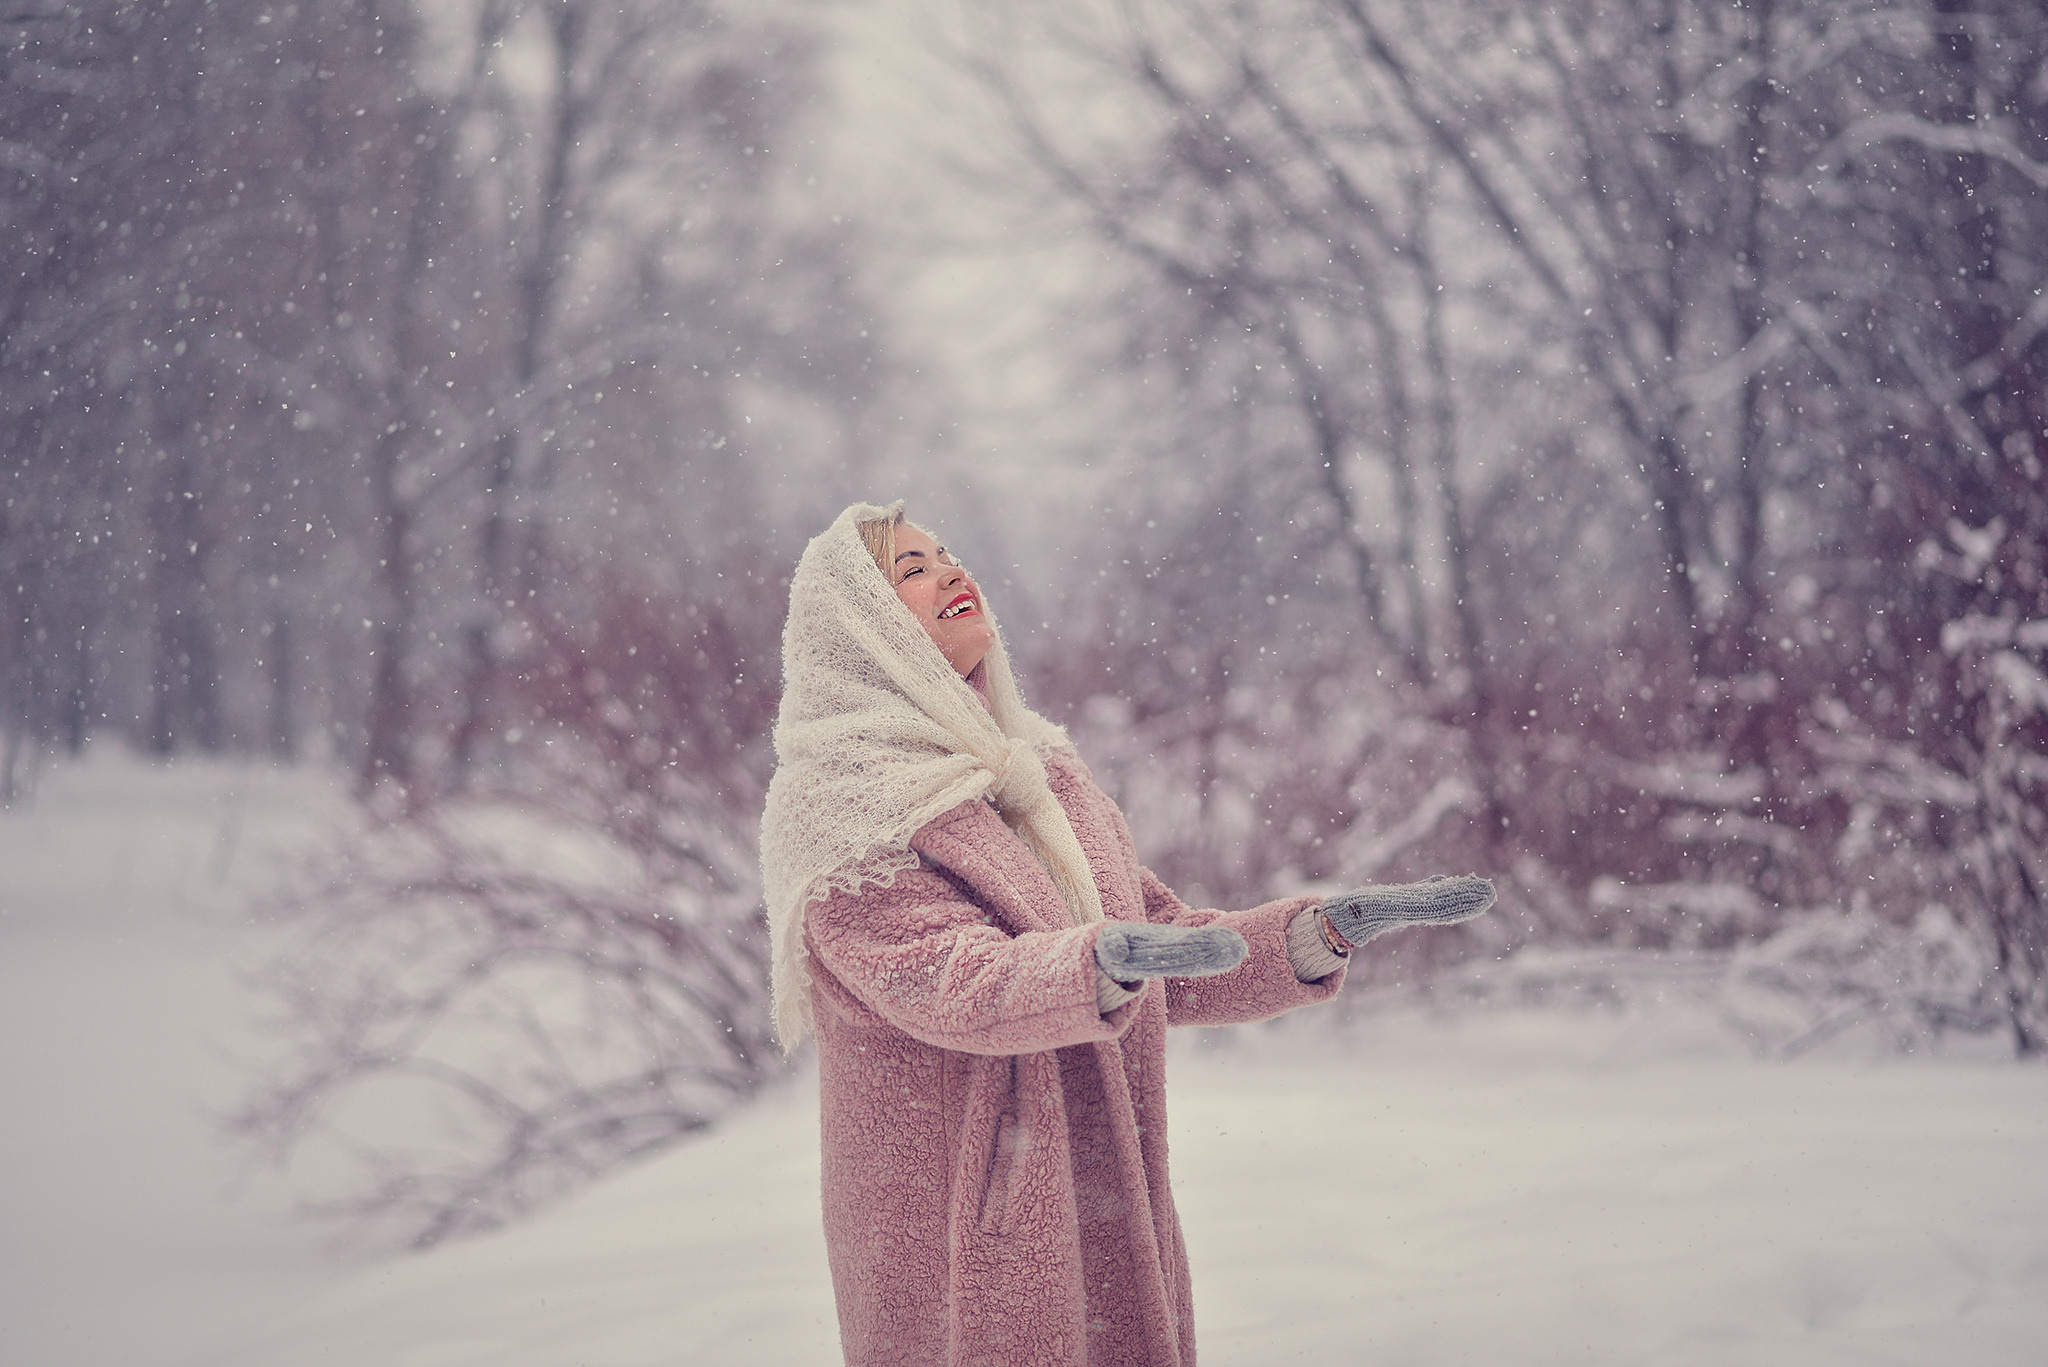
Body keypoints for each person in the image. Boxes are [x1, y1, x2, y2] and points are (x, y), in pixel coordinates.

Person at [760, 501, 1495, 1367]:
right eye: (911, 570)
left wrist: (1312, 932)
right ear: (863, 632)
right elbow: (952, 977)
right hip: (966, 1246)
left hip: (1099, 1204)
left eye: (949, 554)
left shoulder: (1039, 778)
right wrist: (1096, 964)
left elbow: (1166, 946)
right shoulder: (844, 807)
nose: (952, 573)